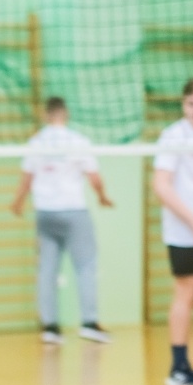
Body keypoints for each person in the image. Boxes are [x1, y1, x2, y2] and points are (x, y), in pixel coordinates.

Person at [11, 97, 113, 345]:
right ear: (65, 114)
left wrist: (18, 202)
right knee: (86, 266)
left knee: (47, 270)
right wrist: (102, 197)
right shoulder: (78, 141)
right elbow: (95, 178)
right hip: (74, 211)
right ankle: (89, 323)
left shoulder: (36, 143)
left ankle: (50, 327)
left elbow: (26, 180)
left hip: (45, 213)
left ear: (46, 115)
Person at [153, 77, 193, 385]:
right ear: (183, 105)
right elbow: (161, 185)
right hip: (185, 232)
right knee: (185, 293)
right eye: (191, 104)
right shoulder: (173, 136)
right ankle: (178, 367)